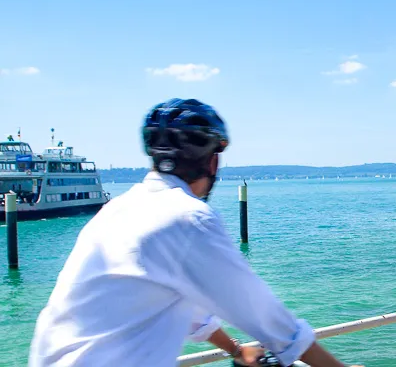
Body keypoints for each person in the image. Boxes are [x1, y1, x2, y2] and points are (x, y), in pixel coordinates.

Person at [29, 98, 362, 367]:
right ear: (212, 163)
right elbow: (272, 321)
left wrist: (235, 350)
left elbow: (186, 309)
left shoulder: (116, 211)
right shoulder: (189, 218)